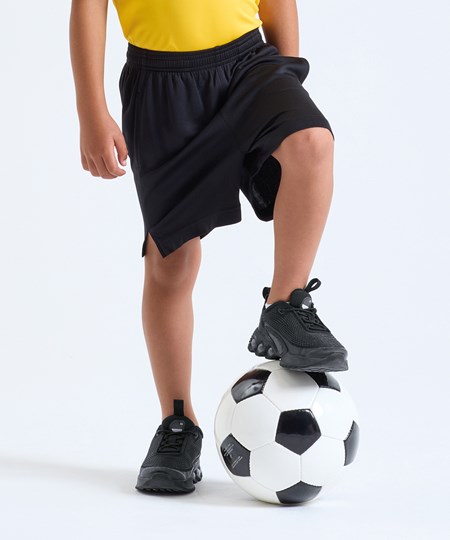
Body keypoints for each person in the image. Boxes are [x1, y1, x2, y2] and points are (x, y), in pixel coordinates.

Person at [69, 0, 349, 494]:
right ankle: (177, 423)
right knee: (171, 262)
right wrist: (91, 110)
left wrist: (287, 80)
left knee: (312, 142)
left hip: (248, 63)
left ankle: (285, 305)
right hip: (162, 88)